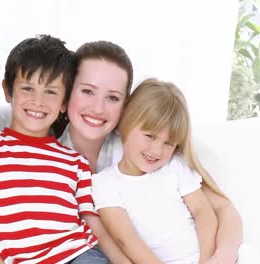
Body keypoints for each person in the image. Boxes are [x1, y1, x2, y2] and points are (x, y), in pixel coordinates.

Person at [0, 35, 125, 264]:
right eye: (28, 88)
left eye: (50, 92)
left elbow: (93, 223)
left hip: (79, 255)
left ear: (64, 103)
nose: (38, 101)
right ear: (8, 91)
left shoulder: (74, 161)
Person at [58, 41, 242, 263]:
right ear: (66, 91)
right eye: (87, 91)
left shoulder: (145, 149)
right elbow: (117, 240)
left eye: (113, 97)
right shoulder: (53, 161)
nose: (98, 108)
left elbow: (219, 207)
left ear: (126, 107)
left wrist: (221, 257)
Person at [92, 78, 220, 263]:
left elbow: (203, 212)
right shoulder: (104, 184)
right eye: (150, 136)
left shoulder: (175, 166)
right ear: (126, 122)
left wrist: (208, 261)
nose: (157, 151)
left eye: (168, 143)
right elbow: (126, 239)